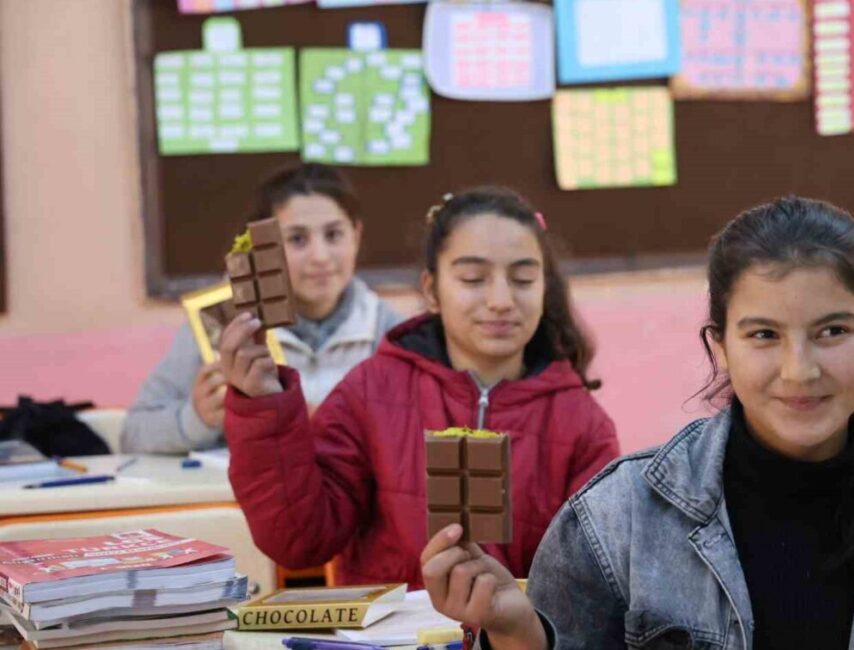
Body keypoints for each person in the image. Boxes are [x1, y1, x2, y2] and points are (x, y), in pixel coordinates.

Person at [420, 196, 854, 650]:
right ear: (721, 348)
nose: (799, 370)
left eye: (832, 331)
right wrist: (518, 631)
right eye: (763, 335)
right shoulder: (614, 522)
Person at [218, 187, 621, 586]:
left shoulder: (583, 425)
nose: (501, 300)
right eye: (473, 278)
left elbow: (592, 589)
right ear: (432, 290)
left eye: (523, 279)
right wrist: (262, 407)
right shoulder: (370, 391)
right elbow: (300, 540)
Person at [120, 163, 405, 454]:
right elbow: (133, 434)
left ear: (356, 235)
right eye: (297, 239)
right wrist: (197, 419)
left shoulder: (393, 334)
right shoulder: (224, 326)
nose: (320, 257)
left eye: (333, 235)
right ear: (263, 247)